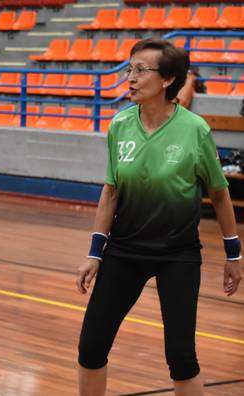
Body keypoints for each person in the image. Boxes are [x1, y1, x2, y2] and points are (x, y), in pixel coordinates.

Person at [75, 38, 241, 396]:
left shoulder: (195, 129)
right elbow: (111, 192)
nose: (130, 77)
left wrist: (234, 255)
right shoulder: (119, 125)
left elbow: (219, 193)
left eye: (140, 70)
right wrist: (94, 253)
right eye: (129, 69)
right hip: (123, 251)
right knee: (91, 346)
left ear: (167, 80)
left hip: (176, 254)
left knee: (181, 357)